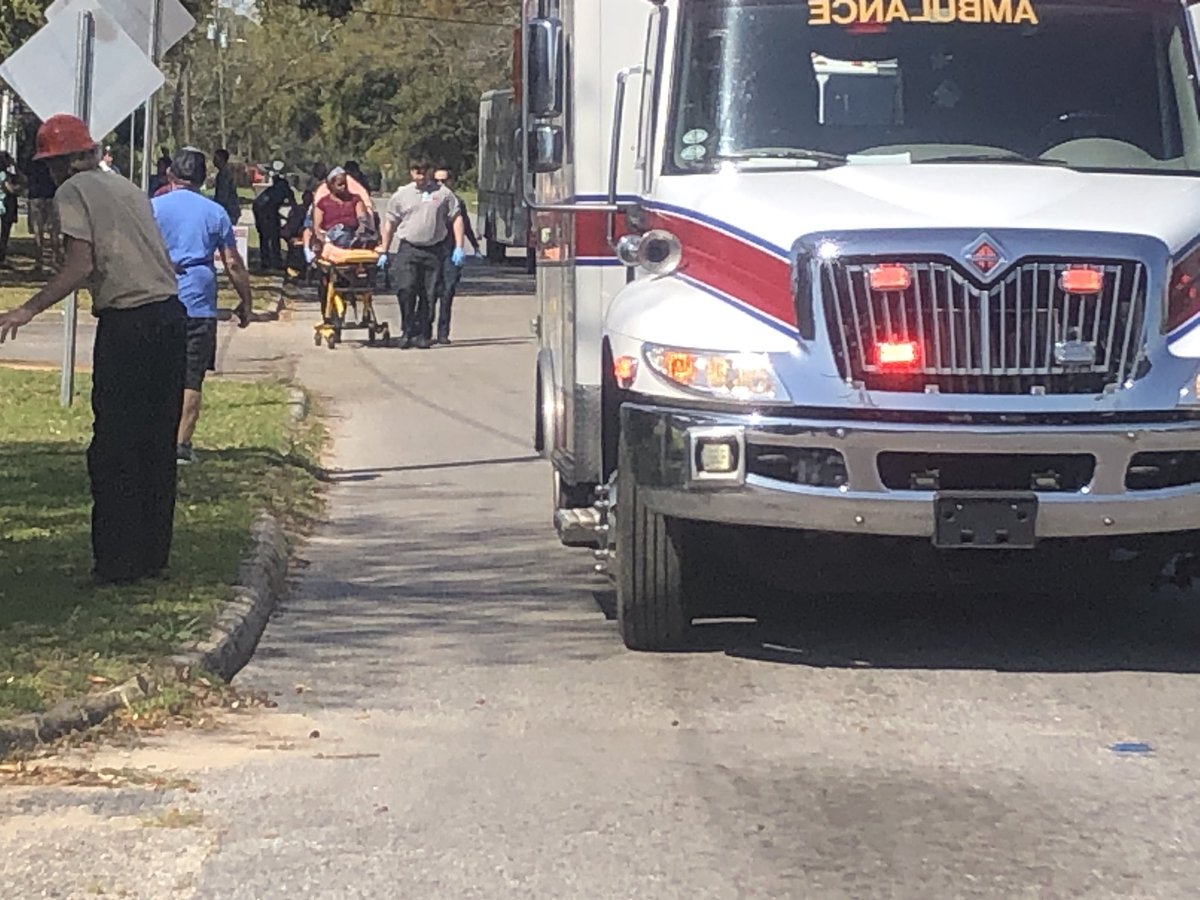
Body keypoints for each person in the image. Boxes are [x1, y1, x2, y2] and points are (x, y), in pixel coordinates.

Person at [0, 114, 186, 585]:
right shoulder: (126, 187)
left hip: (128, 323)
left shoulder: (72, 192)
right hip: (169, 316)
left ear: (58, 163)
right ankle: (153, 559)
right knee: (157, 445)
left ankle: (117, 563)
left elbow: (80, 264)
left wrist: (27, 309)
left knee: (115, 449)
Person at [152, 147, 253, 466]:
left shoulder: (151, 208)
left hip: (157, 299)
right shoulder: (215, 213)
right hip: (198, 304)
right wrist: (245, 302)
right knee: (191, 377)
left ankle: (153, 438)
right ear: (203, 178)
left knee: (156, 374)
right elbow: (233, 263)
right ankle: (181, 445)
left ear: (170, 175)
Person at [377, 156, 465, 350]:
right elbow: (390, 222)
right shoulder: (402, 195)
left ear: (430, 171)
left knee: (429, 294)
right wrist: (384, 249)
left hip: (434, 250)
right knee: (406, 289)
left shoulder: (443, 194)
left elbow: (456, 218)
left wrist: (459, 246)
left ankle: (424, 333)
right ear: (411, 172)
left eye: (424, 171)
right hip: (409, 249)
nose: (420, 175)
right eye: (416, 171)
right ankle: (407, 330)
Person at [429, 166, 481, 345]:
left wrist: (474, 246)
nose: (440, 184)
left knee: (447, 291)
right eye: (437, 181)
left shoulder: (457, 201)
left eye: (444, 181)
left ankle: (443, 333)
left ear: (451, 182)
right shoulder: (429, 200)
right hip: (432, 251)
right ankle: (426, 331)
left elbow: (464, 224)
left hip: (451, 252)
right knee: (430, 292)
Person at [312, 167, 371, 252]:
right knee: (340, 232)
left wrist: (361, 231)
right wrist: (321, 240)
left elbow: (362, 219)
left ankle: (355, 242)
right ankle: (348, 243)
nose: (344, 187)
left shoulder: (355, 199)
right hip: (331, 236)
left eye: (345, 184)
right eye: (340, 185)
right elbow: (317, 228)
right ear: (331, 186)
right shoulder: (323, 203)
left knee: (347, 233)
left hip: (352, 233)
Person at [25, 157, 62, 274]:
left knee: (38, 233)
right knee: (53, 232)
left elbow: (25, 178)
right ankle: (54, 262)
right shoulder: (56, 161)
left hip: (35, 196)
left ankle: (39, 263)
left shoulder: (32, 161)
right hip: (51, 196)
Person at [251, 174, 295, 270]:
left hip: (260, 210)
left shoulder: (271, 191)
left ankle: (267, 261)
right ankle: (274, 261)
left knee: (265, 237)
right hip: (262, 212)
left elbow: (271, 209)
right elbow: (293, 206)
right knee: (272, 236)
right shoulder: (282, 190)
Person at [0, 152, 25, 268]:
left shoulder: (7, 175)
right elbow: (10, 189)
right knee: (4, 233)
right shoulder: (4, 176)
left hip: (5, 206)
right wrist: (18, 188)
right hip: (5, 206)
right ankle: (1, 256)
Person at [212, 148, 240, 224]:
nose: (213, 160)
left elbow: (223, 196)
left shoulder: (224, 175)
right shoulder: (224, 173)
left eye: (215, 158)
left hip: (228, 210)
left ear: (221, 159)